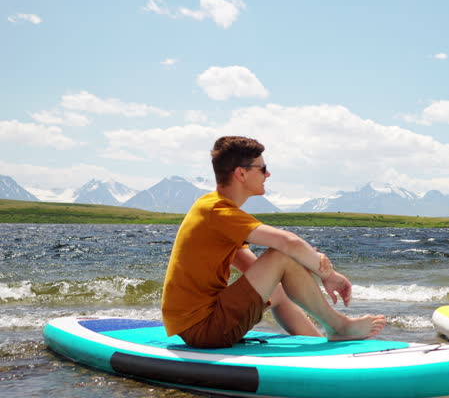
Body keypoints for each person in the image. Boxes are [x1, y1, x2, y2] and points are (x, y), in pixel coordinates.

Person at [161, 136, 386, 348]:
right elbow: (288, 242)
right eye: (262, 169)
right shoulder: (217, 211)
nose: (267, 175)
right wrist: (328, 274)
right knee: (281, 254)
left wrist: (302, 263)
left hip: (198, 323)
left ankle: (320, 340)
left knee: (280, 280)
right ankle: (339, 326)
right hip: (204, 328)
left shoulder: (212, 207)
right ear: (241, 174)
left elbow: (253, 266)